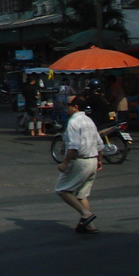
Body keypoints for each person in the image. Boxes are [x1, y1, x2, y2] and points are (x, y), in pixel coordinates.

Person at [55, 95, 102, 233]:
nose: (66, 108)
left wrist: (65, 163)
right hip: (92, 160)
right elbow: (99, 143)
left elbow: (73, 147)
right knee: (82, 195)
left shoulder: (73, 123)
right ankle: (89, 225)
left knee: (62, 189)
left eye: (68, 105)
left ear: (75, 107)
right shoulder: (89, 121)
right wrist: (99, 160)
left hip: (80, 161)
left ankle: (86, 214)